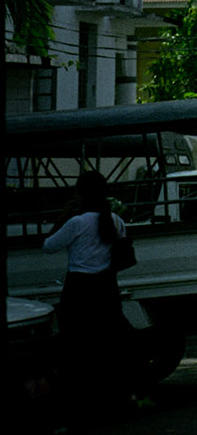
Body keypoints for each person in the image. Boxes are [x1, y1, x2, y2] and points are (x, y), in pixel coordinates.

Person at [42, 169, 132, 409]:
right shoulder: (115, 220)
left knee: (77, 347)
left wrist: (63, 214)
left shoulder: (76, 222)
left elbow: (48, 246)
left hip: (79, 289)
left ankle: (80, 400)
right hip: (106, 287)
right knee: (108, 346)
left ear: (81, 195)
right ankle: (115, 397)